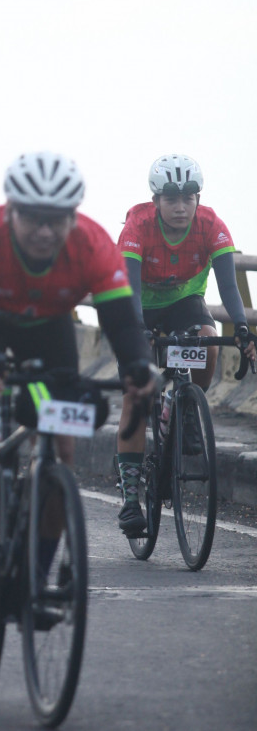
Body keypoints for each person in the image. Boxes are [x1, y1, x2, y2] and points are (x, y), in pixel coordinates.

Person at [0, 151, 158, 605]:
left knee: (61, 446)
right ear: (10, 212)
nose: (44, 231)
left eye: (56, 220)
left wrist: (139, 367)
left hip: (47, 328)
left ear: (72, 217)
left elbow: (121, 323)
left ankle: (35, 578)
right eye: (33, 218)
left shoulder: (93, 244)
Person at [114, 154, 254, 529]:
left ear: (198, 199)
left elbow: (228, 287)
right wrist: (136, 331)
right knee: (134, 396)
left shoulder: (211, 225)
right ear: (156, 201)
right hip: (137, 305)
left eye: (187, 198)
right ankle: (130, 498)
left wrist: (242, 328)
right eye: (171, 199)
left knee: (209, 340)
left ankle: (185, 406)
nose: (180, 207)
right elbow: (129, 289)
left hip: (184, 303)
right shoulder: (138, 225)